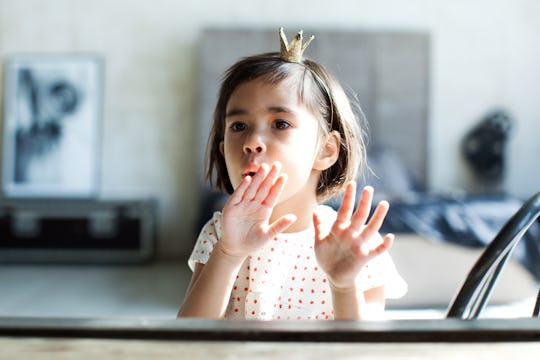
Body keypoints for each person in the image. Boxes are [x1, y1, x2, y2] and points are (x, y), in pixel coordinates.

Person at [178, 28, 407, 320]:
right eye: (238, 126)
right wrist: (228, 254)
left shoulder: (355, 244)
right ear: (222, 149)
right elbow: (189, 338)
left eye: (280, 124)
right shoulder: (219, 234)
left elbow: (362, 351)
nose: (251, 142)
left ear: (326, 150)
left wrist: (343, 284)